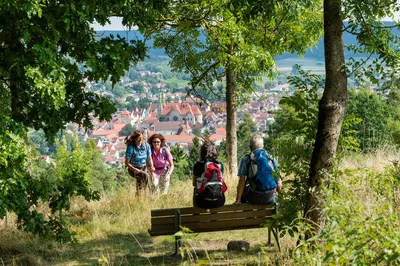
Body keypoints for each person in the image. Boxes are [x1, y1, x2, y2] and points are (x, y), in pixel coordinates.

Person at [234, 133, 282, 205]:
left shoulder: (246, 159)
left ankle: (248, 216)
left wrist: (238, 200)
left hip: (254, 198)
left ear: (250, 148)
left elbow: (242, 181)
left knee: (245, 192)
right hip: (270, 197)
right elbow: (278, 180)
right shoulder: (271, 158)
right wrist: (281, 198)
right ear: (263, 146)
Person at [193, 141, 227, 208]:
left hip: (202, 202)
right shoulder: (220, 165)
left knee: (195, 189)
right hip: (219, 202)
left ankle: (196, 215)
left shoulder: (198, 165)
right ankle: (214, 217)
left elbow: (194, 183)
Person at [125, 130, 154, 196]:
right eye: (139, 138)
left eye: (142, 138)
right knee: (146, 176)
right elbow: (127, 163)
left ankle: (138, 197)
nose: (141, 140)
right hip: (133, 168)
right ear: (135, 139)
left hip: (144, 167)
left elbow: (149, 158)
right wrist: (134, 169)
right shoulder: (131, 148)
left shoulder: (146, 146)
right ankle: (150, 194)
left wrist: (152, 166)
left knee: (140, 183)